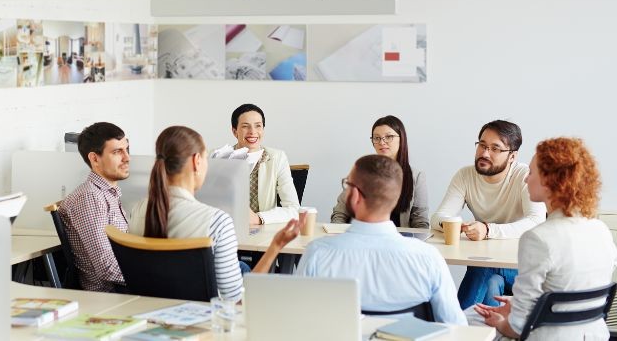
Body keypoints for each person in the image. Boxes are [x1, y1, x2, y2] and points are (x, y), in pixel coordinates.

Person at [257, 155, 466, 325]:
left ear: (355, 196)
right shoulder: (428, 258)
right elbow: (456, 328)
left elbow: (298, 322)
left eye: (347, 184)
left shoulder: (319, 253)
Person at [473, 137, 616, 340]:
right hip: (594, 335)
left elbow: (517, 327)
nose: (525, 179)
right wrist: (526, 305)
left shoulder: (538, 238)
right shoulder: (601, 230)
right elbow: (574, 289)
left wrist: (501, 322)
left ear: (549, 181)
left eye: (531, 173)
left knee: (469, 319)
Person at [431, 120, 546, 309]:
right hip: (491, 270)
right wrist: (454, 225)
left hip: (522, 268)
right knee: (491, 282)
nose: (484, 153)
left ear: (512, 156)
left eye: (495, 149)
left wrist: (488, 230)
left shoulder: (524, 176)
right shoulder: (465, 176)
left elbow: (536, 221)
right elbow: (437, 218)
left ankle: (457, 326)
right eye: (482, 145)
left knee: (483, 264)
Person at [129, 126, 248, 300]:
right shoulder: (218, 222)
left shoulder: (137, 210)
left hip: (149, 320)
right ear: (196, 161)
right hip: (204, 323)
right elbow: (233, 301)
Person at [59, 122, 131, 292]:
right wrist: (152, 278)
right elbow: (106, 267)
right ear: (94, 158)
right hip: (112, 295)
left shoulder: (107, 193)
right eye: (117, 152)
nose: (127, 158)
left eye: (126, 149)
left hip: (126, 287)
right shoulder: (90, 197)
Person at [331, 115, 429, 228]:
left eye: (389, 137)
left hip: (398, 241)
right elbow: (339, 213)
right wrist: (341, 235)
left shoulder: (416, 177)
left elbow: (420, 222)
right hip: (361, 238)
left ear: (402, 139)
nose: (382, 142)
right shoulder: (362, 171)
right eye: (376, 138)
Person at [230, 104, 299, 225]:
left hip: (263, 229)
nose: (252, 132)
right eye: (245, 126)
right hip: (228, 229)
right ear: (235, 131)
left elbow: (294, 209)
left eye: (258, 126)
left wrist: (258, 218)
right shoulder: (219, 158)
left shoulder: (277, 158)